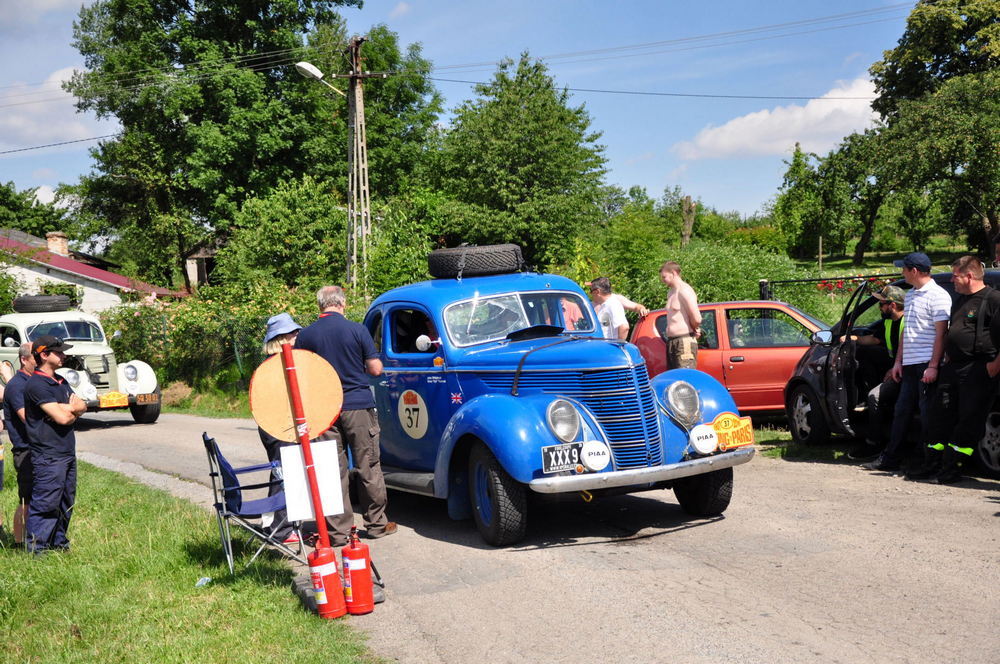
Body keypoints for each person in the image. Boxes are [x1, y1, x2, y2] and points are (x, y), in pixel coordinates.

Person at [295, 286, 395, 545]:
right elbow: (374, 369)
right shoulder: (357, 330)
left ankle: (338, 533)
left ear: (320, 306)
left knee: (331, 470)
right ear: (342, 303)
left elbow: (300, 374)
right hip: (357, 406)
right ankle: (376, 525)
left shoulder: (305, 336)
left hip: (324, 411)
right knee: (368, 465)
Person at [906, 256, 1000, 483]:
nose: (951, 280)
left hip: (978, 370)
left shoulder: (994, 300)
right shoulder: (960, 299)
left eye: (955, 276)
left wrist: (993, 367)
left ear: (969, 276)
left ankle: (954, 468)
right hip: (953, 368)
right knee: (939, 418)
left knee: (968, 423)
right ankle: (932, 465)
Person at [863, 252, 950, 472]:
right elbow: (907, 332)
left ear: (914, 271)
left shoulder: (938, 295)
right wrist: (898, 362)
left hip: (925, 364)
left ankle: (927, 461)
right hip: (909, 364)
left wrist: (933, 365)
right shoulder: (910, 296)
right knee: (901, 411)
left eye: (904, 269)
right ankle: (891, 458)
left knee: (927, 414)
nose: (902, 272)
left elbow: (941, 334)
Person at [24, 335, 88, 554]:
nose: (64, 355)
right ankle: (36, 551)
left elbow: (81, 405)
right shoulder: (36, 384)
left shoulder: (61, 380)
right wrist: (69, 410)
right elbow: (62, 418)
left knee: (65, 502)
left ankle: (59, 545)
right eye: (59, 352)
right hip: (48, 455)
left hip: (67, 452)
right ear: (43, 355)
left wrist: (70, 409)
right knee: (45, 504)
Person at [847, 286, 905, 460]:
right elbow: (874, 340)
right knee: (865, 353)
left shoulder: (908, 322)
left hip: (904, 370)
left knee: (875, 397)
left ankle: (874, 444)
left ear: (892, 305)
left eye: (882, 304)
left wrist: (895, 367)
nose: (879, 308)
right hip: (894, 366)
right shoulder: (888, 321)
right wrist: (852, 338)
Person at [258, 313, 302, 544]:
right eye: (293, 332)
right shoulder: (277, 366)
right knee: (284, 474)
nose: (297, 335)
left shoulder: (271, 364)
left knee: (281, 473)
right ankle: (281, 529)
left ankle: (275, 524)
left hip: (275, 426)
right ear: (281, 338)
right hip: (279, 426)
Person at [3, 344, 37, 545]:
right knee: (26, 501)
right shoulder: (17, 385)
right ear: (24, 359)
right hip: (25, 451)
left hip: (36, 450)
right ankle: (18, 542)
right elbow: (27, 418)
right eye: (36, 357)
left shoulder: (34, 382)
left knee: (35, 500)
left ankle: (35, 539)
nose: (40, 360)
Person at [659, 261, 701, 369]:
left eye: (664, 277)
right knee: (675, 380)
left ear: (673, 273)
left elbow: (697, 318)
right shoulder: (671, 292)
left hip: (684, 341)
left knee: (685, 378)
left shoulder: (684, 290)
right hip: (672, 342)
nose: (662, 280)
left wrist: (694, 328)